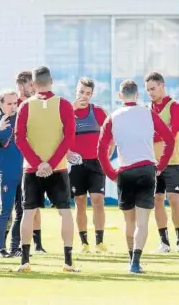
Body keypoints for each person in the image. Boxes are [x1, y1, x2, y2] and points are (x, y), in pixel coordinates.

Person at [97, 80, 175, 273]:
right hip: (147, 169)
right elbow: (169, 139)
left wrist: (111, 173)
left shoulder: (113, 117)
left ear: (120, 95)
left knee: (129, 221)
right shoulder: (148, 113)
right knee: (142, 222)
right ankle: (136, 262)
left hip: (125, 171)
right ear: (137, 95)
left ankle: (131, 258)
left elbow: (100, 151)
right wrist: (161, 165)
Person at [14, 66, 78, 273]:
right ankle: (68, 262)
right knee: (65, 212)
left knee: (28, 212)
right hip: (58, 168)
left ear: (33, 84)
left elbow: (19, 138)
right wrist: (50, 163)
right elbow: (68, 137)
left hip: (32, 170)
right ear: (51, 80)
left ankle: (24, 261)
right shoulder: (65, 105)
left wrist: (37, 163)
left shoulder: (25, 107)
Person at [145, 72, 179, 254]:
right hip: (152, 163)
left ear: (162, 85)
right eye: (148, 90)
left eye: (153, 89)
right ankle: (164, 243)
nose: (150, 93)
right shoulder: (147, 110)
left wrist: (153, 136)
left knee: (174, 199)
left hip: (171, 161)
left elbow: (173, 130)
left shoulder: (175, 106)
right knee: (157, 199)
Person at [70, 77, 109, 253]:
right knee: (80, 203)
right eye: (81, 92)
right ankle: (84, 242)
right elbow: (58, 134)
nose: (84, 96)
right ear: (75, 91)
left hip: (96, 163)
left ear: (92, 95)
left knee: (97, 200)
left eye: (88, 93)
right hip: (76, 165)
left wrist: (106, 154)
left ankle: (99, 242)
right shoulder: (66, 112)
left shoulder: (99, 112)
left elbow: (111, 135)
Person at [14, 70, 45, 255]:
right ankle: (11, 244)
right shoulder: (16, 105)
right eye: (29, 85)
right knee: (16, 207)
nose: (32, 89)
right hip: (16, 165)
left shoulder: (37, 105)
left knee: (34, 205)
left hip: (32, 163)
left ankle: (38, 244)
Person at [0, 89, 22, 258]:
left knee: (22, 210)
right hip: (6, 172)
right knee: (5, 211)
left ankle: (16, 246)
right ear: (0, 104)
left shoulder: (22, 118)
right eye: (9, 103)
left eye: (15, 103)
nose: (13, 107)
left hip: (24, 170)